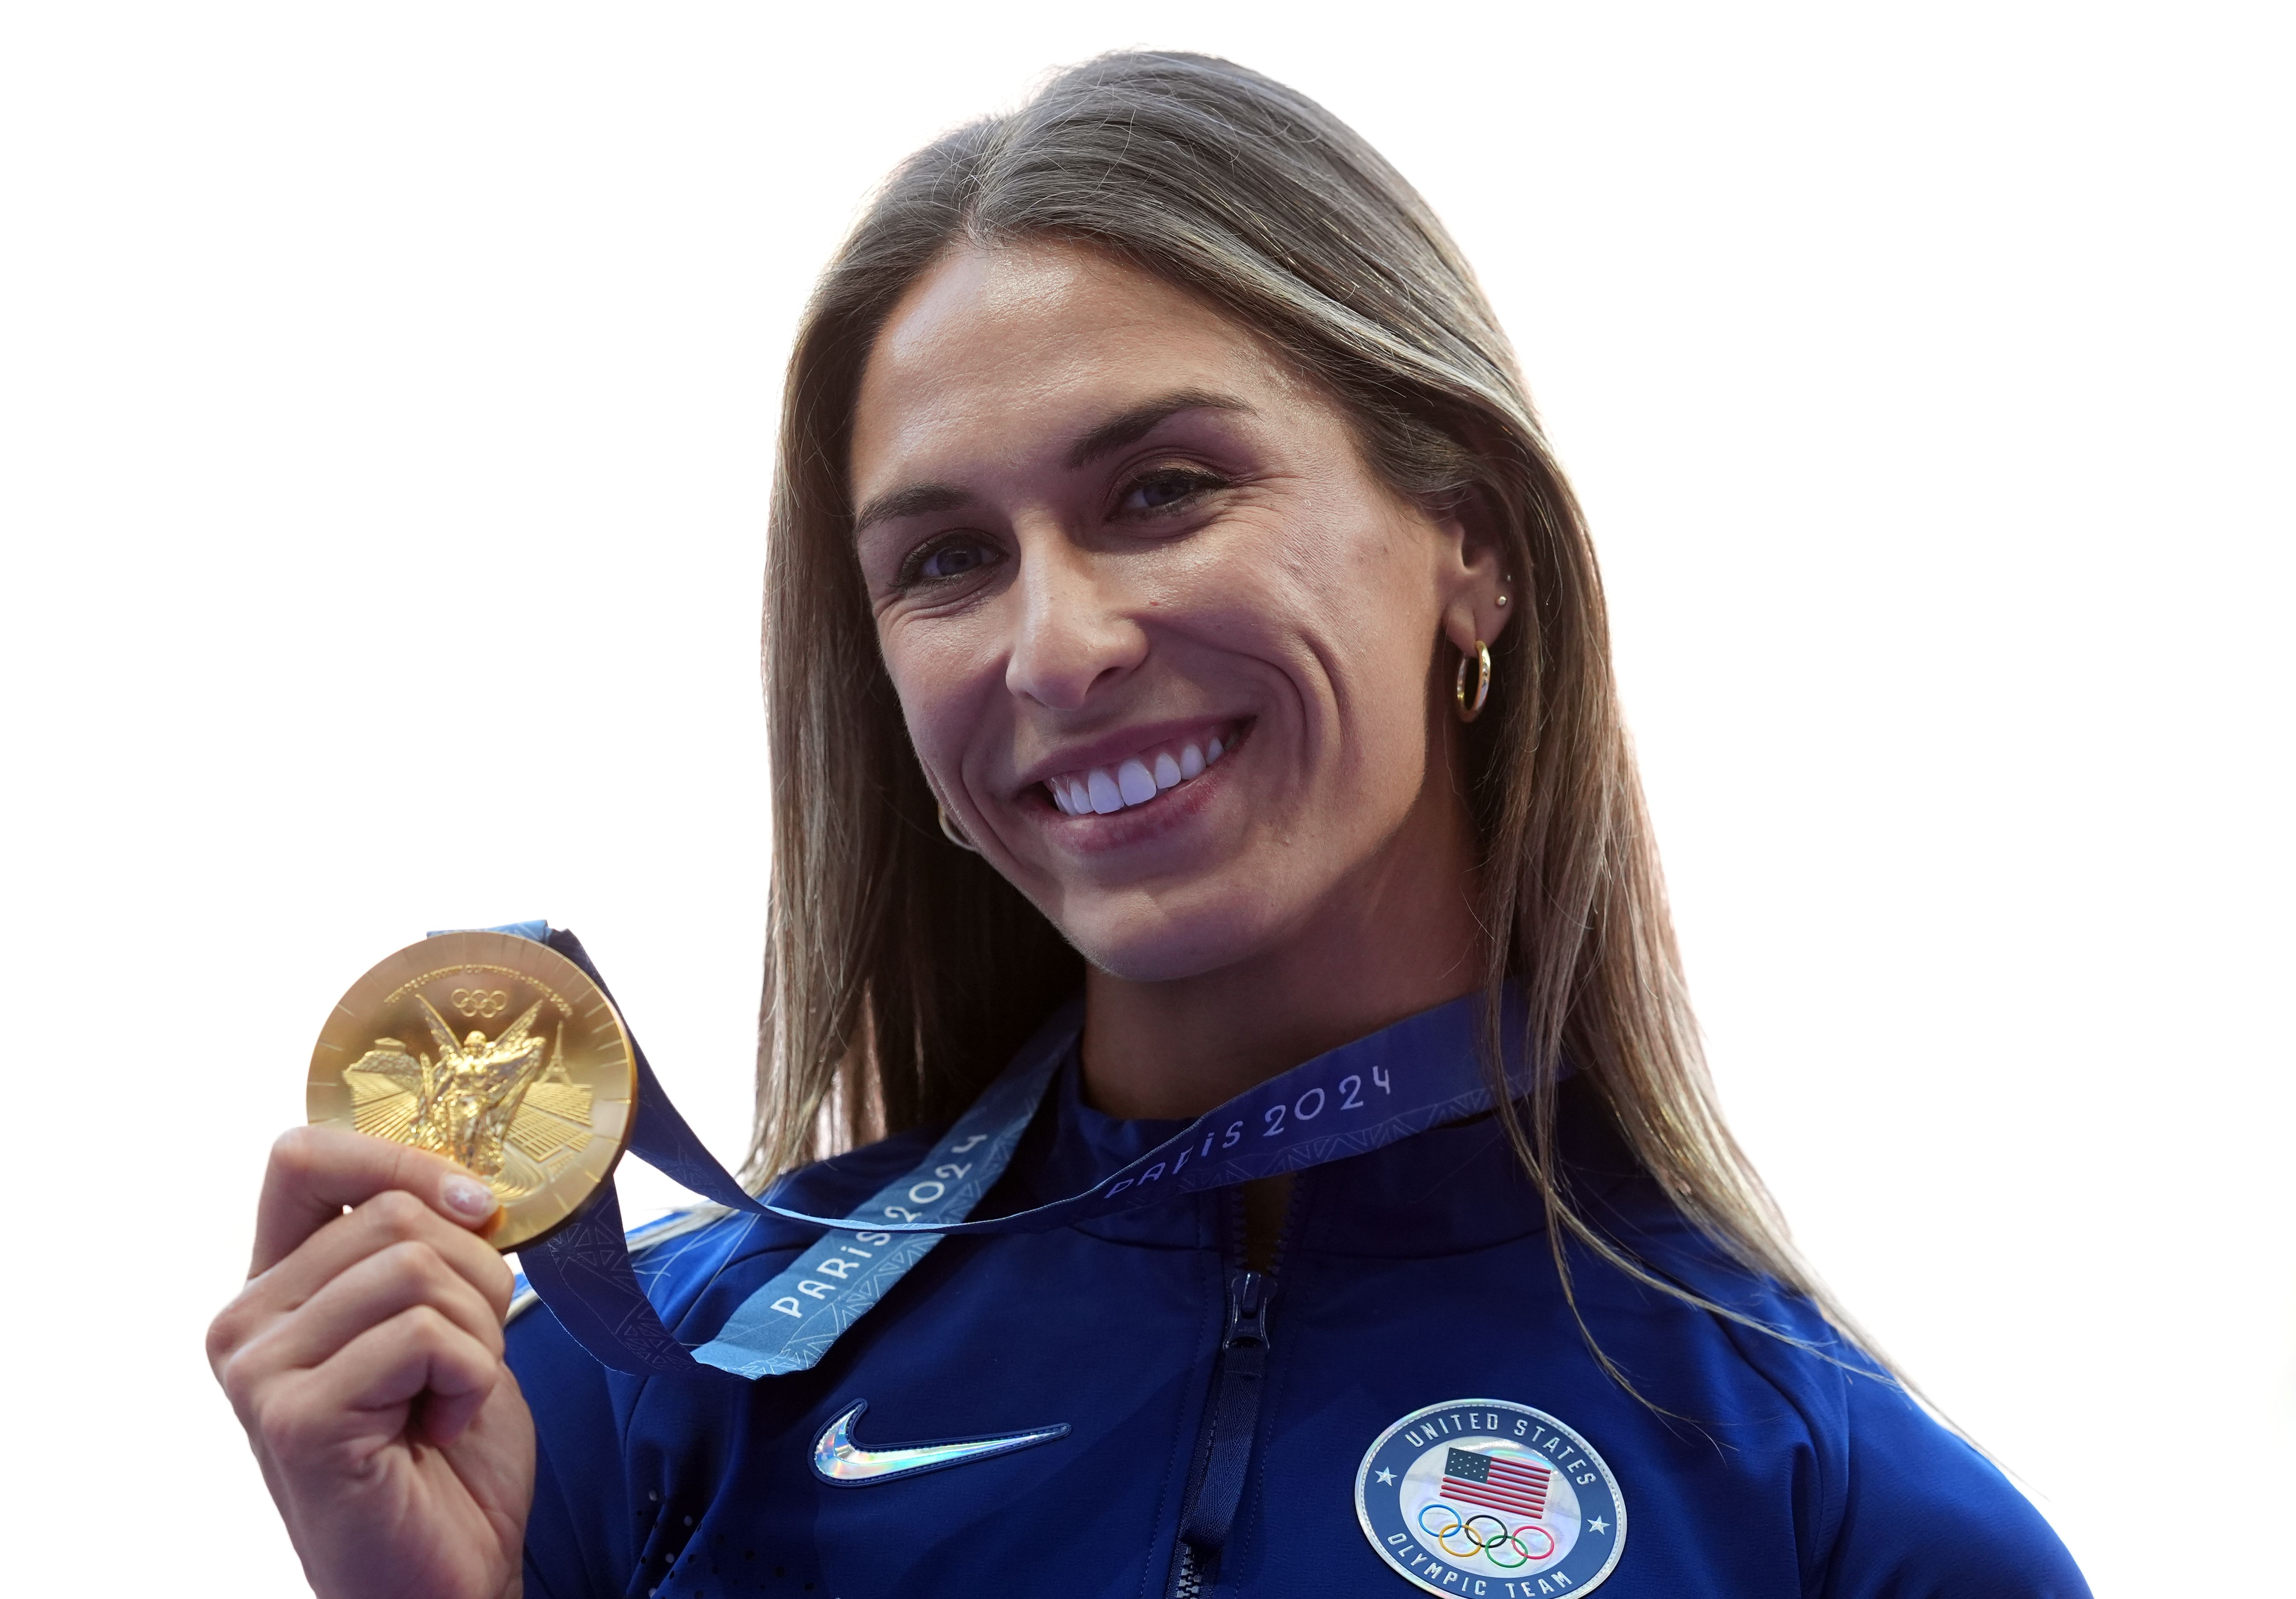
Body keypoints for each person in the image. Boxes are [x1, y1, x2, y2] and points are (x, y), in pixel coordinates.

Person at [207, 51, 2091, 1599]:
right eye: (947, 559)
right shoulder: (612, 1412)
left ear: (1475, 544)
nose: (1057, 645)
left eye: (1165, 489)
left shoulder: (1839, 1514)